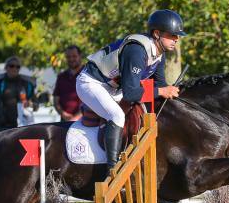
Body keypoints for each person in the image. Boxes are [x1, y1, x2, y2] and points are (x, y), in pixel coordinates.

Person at [76, 9, 184, 168]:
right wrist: (162, 91)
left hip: (113, 88)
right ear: (156, 33)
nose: (176, 39)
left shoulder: (159, 54)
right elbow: (131, 93)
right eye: (172, 35)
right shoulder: (137, 51)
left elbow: (160, 85)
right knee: (117, 116)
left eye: (177, 36)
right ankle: (112, 170)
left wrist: (173, 91)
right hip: (91, 83)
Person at [0, 56, 36, 131]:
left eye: (18, 66)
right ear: (6, 68)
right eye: (11, 66)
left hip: (22, 128)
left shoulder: (27, 85)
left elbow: (36, 106)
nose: (15, 68)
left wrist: (30, 104)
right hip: (3, 129)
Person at [53, 45, 84, 123]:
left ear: (80, 56)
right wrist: (63, 114)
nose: (71, 59)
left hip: (85, 122)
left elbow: (93, 102)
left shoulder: (88, 75)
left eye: (74, 56)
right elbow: (56, 101)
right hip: (65, 122)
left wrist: (76, 117)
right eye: (68, 57)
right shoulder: (61, 77)